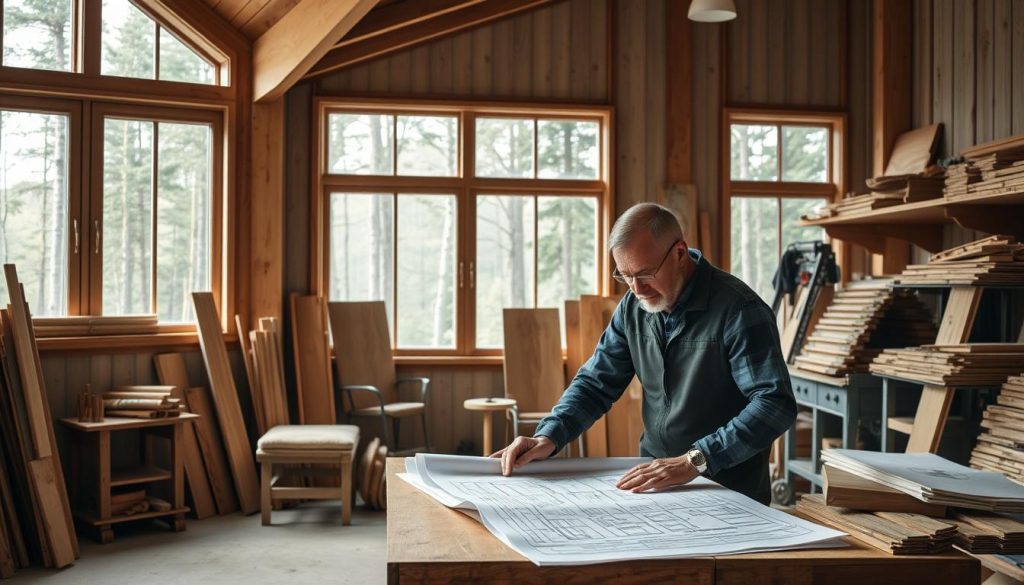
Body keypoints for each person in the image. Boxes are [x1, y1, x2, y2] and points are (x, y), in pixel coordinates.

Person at [490, 202, 796, 504]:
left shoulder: (739, 310)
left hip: (728, 488)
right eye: (625, 276)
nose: (637, 289)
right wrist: (549, 435)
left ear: (679, 253)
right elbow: (596, 382)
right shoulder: (633, 307)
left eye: (645, 274)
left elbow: (774, 405)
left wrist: (695, 460)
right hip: (655, 482)